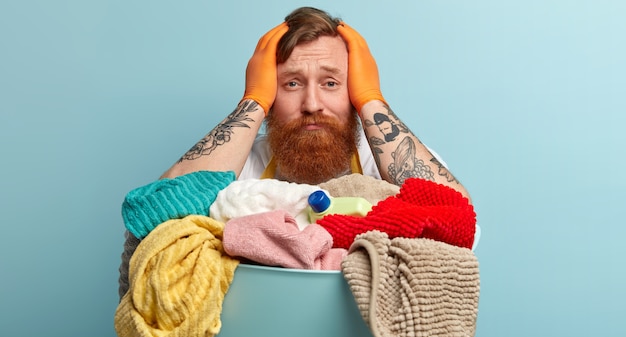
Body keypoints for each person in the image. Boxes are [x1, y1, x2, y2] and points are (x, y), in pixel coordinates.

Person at [160, 6, 471, 201]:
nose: (311, 103)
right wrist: (252, 101)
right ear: (271, 95)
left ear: (353, 91)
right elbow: (159, 209)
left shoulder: (383, 162)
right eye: (291, 83)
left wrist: (371, 102)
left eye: (331, 83)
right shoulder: (243, 166)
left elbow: (458, 215)